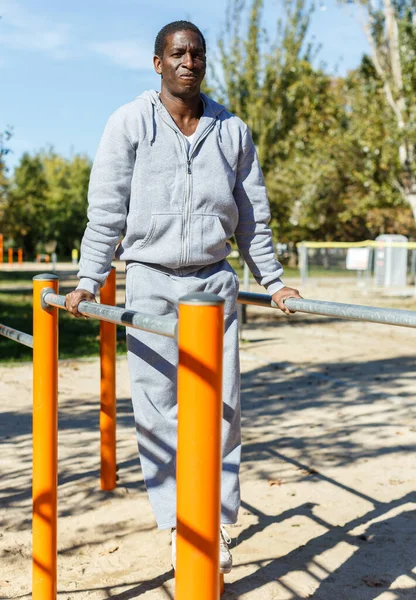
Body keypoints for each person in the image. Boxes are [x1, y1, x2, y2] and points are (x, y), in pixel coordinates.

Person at [65, 20, 301, 573]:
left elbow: (252, 218)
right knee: (158, 408)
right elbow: (106, 212)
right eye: (177, 54)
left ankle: (213, 520)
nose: (187, 62)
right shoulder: (129, 123)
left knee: (221, 409)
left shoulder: (232, 131)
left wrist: (272, 280)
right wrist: (85, 280)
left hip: (215, 282)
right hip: (149, 279)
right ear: (158, 63)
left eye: (196, 53)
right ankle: (178, 523)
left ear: (204, 62)